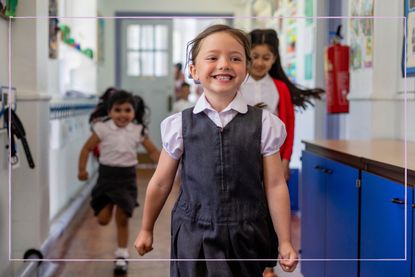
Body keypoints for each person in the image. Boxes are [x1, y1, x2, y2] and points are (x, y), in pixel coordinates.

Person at [134, 24, 298, 277]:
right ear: (194, 70)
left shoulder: (265, 124)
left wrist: (285, 240)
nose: (224, 64)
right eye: (212, 57)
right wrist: (146, 228)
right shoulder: (179, 125)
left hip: (247, 234)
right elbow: (160, 183)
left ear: (245, 70)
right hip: (192, 234)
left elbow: (275, 185)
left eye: (235, 58)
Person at [78, 90, 160, 275]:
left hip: (127, 178)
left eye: (127, 110)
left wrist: (167, 166)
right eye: (118, 110)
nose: (123, 114)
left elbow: (153, 151)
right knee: (103, 220)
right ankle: (108, 209)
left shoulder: (138, 130)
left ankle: (122, 254)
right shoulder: (102, 128)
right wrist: (81, 169)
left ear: (133, 111)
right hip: (106, 177)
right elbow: (86, 149)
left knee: (123, 219)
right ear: (109, 111)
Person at [240, 29, 323, 182]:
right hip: (240, 157)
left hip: (272, 157)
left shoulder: (280, 88)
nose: (259, 63)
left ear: (274, 59)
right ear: (246, 56)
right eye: (255, 56)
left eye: (266, 58)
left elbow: (289, 126)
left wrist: (286, 160)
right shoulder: (236, 85)